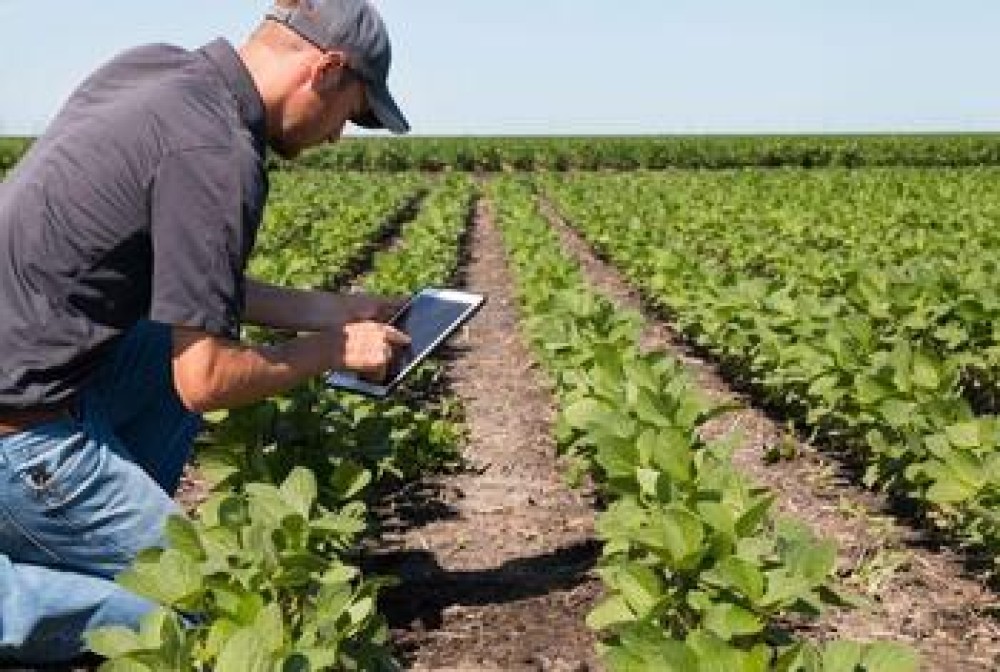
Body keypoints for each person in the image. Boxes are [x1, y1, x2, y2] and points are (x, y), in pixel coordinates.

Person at [0, 0, 411, 663]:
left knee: (162, 342)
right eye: (355, 113)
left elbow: (196, 288)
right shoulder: (219, 152)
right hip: (24, 435)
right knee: (220, 613)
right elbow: (206, 382)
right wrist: (332, 350)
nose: (340, 135)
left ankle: (95, 546)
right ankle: (24, 592)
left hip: (36, 373)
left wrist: (333, 309)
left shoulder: (155, 71)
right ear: (327, 70)